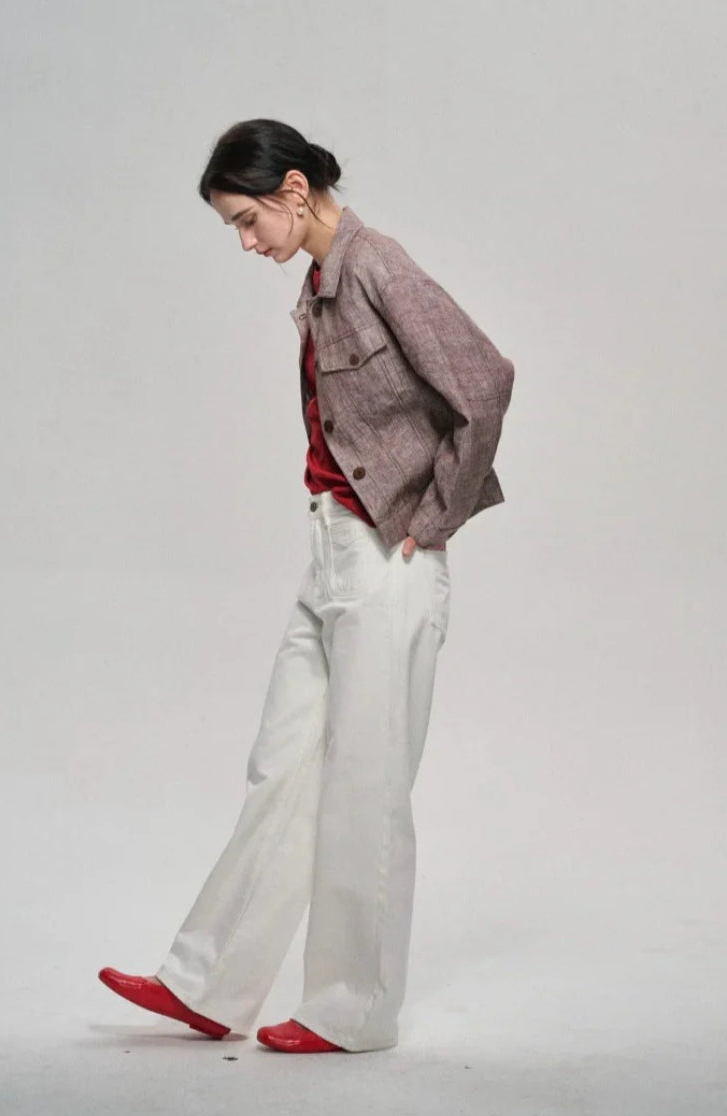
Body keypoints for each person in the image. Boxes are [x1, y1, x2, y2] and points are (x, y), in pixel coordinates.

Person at [99, 118, 515, 1053]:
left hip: (386, 557)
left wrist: (434, 518)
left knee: (367, 784)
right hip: (331, 544)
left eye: (248, 221)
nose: (248, 244)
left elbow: (484, 382)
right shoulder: (321, 282)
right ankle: (210, 983)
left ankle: (351, 1011)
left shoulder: (376, 266)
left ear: (294, 189)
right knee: (281, 763)